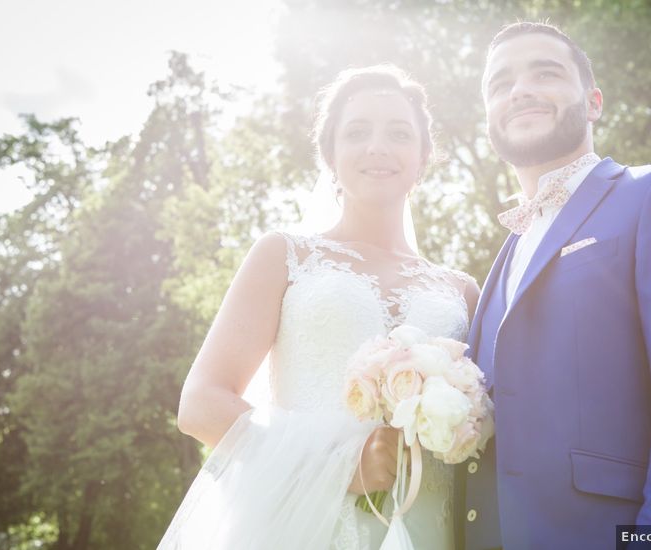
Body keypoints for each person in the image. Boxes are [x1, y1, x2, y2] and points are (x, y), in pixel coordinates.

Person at [159, 64, 479, 550]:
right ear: (329, 155)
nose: (378, 146)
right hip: (304, 526)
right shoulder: (283, 256)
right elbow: (201, 403)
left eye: (398, 132)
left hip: (432, 526)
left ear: (423, 157)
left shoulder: (464, 291)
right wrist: (337, 469)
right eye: (357, 132)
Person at [458, 22, 651, 549]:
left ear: (593, 103)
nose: (518, 89)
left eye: (545, 73)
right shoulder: (503, 257)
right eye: (499, 84)